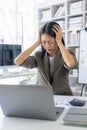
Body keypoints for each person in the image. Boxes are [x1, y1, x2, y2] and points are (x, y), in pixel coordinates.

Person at [14, 21, 77, 95]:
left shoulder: (66, 53)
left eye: (51, 42)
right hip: (42, 97)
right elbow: (17, 61)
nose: (47, 46)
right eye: (44, 42)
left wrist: (59, 42)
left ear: (56, 40)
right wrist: (37, 42)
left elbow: (71, 64)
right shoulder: (39, 56)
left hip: (62, 97)